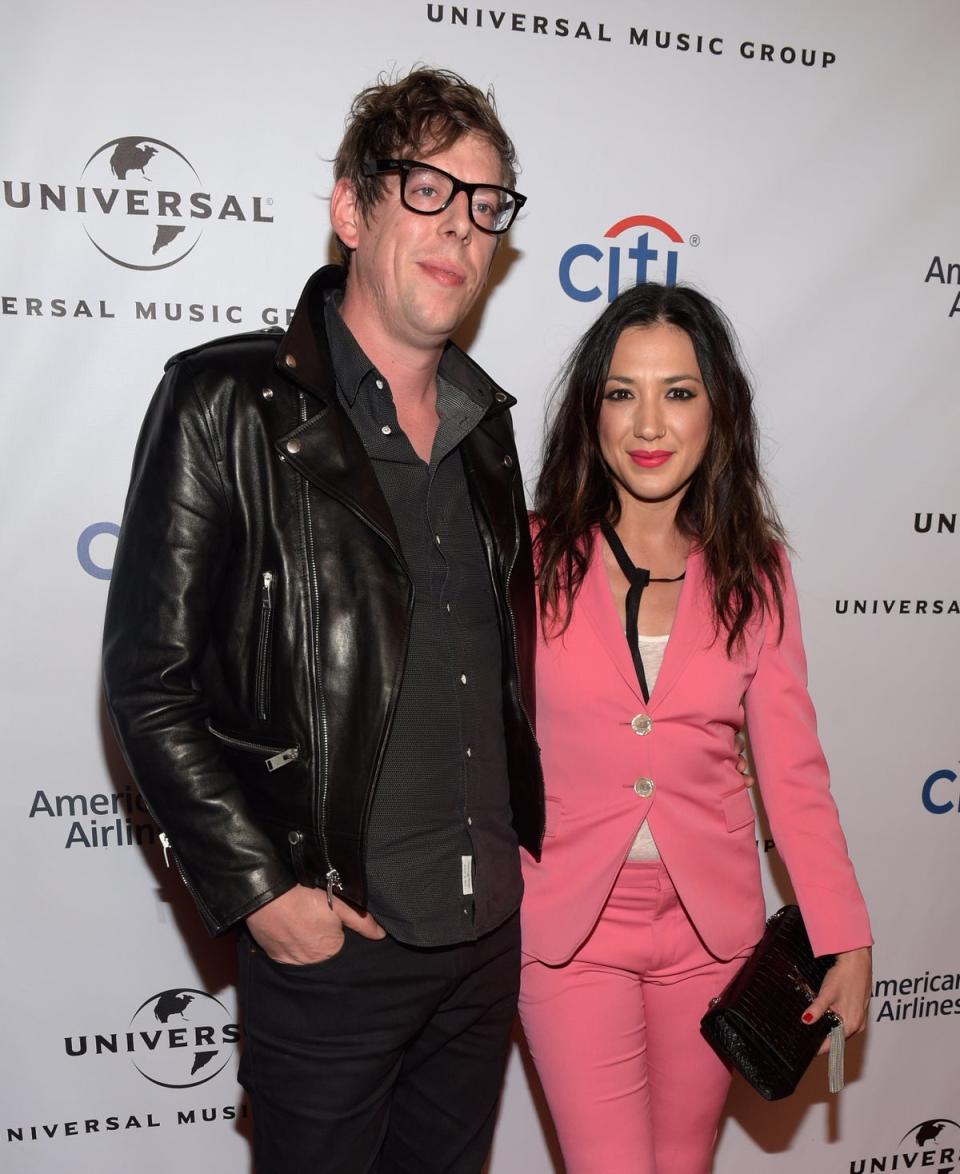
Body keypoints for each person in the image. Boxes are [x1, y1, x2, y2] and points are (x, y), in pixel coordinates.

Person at [102, 68, 543, 1174]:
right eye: (429, 190)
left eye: (487, 205)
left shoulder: (490, 429)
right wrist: (261, 891)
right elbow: (150, 685)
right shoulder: (225, 403)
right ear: (353, 209)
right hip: (331, 947)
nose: (462, 228)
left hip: (484, 941)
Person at [518, 282, 872, 1174]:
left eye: (678, 392)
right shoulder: (526, 558)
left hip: (713, 934)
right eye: (622, 392)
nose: (649, 422)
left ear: (719, 411)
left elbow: (792, 773)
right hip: (569, 937)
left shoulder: (760, 571)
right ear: (589, 413)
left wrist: (845, 931)